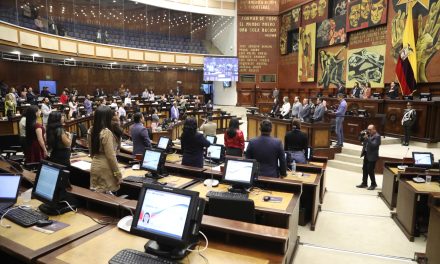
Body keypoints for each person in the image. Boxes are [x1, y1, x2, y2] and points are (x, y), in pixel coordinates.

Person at [88, 106, 122, 193]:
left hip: (94, 165)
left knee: (97, 195)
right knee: (106, 198)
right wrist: (118, 175)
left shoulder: (91, 130)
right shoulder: (106, 132)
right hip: (105, 167)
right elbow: (111, 156)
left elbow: (91, 152)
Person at [357, 124, 381, 190]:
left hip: (372, 156)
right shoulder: (368, 134)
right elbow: (360, 140)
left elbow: (374, 145)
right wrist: (361, 135)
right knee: (364, 169)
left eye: (370, 130)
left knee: (370, 170)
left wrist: (368, 139)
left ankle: (373, 184)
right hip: (366, 154)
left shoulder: (377, 136)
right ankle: (364, 183)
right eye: (368, 129)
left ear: (374, 129)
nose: (368, 131)